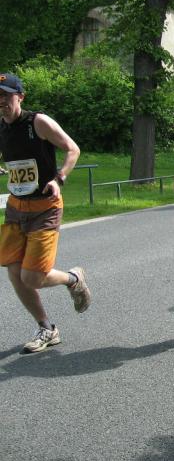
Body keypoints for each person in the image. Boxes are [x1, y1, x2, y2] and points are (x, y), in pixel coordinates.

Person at [0, 72, 91, 353]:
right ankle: (46, 328)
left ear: (20, 97)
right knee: (14, 271)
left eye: (6, 96)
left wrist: (59, 178)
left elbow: (72, 149)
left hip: (45, 208)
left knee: (32, 277)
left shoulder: (38, 122)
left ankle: (73, 279)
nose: (1, 101)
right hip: (16, 207)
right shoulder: (1, 127)